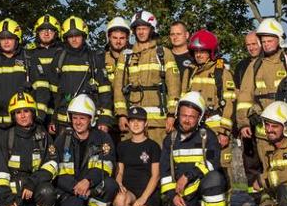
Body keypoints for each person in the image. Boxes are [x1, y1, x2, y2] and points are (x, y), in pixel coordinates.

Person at [234, 19, 287, 206]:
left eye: (269, 41)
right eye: (263, 41)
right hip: (262, 130)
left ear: (279, 39)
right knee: (266, 169)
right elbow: (245, 96)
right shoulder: (255, 66)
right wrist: (243, 122)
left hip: (286, 128)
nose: (266, 45)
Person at [38, 94, 117, 206]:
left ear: (91, 119)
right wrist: (76, 188)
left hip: (91, 188)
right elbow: (56, 170)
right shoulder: (63, 139)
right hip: (71, 191)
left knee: (110, 185)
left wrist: (88, 181)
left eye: (82, 118)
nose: (78, 122)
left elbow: (107, 166)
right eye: (75, 118)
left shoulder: (103, 139)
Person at [161, 91, 228, 206]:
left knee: (215, 178)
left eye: (192, 117)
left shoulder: (208, 137)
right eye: (184, 115)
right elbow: (165, 172)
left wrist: (188, 175)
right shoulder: (170, 140)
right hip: (184, 191)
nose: (187, 120)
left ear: (200, 118)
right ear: (177, 115)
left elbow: (212, 162)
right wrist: (172, 195)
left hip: (203, 183)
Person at [167, 29, 234, 167]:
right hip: (193, 129)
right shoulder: (189, 72)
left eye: (202, 51)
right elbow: (182, 100)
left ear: (211, 52)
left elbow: (230, 103)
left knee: (218, 166)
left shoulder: (222, 73)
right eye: (196, 51)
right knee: (195, 165)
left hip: (216, 129)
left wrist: (224, 132)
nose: (198, 55)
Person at [0, 93, 49, 206]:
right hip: (13, 193)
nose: (22, 116)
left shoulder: (42, 136)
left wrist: (33, 182)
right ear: (13, 116)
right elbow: (0, 172)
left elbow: (51, 164)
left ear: (33, 113)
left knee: (47, 192)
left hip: (34, 188)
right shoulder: (5, 138)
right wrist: (6, 199)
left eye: (26, 111)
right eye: (18, 112)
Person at [48, 17, 112, 132]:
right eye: (70, 36)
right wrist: (52, 120)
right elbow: (53, 94)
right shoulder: (59, 59)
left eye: (77, 35)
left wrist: (104, 120)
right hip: (63, 121)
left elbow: (105, 91)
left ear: (84, 36)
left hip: (89, 119)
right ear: (65, 38)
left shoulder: (94, 58)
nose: (74, 39)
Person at [110, 105, 162, 206]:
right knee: (119, 201)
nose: (136, 124)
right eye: (132, 120)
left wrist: (143, 198)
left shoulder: (153, 146)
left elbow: (156, 176)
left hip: (148, 193)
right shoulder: (122, 146)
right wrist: (118, 183)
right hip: (130, 192)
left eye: (139, 120)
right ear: (128, 123)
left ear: (146, 123)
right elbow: (120, 171)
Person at [123, 11, 172, 143]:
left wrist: (172, 115)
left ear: (152, 29)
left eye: (144, 28)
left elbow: (174, 87)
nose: (141, 32)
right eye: (138, 29)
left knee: (158, 154)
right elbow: (118, 88)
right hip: (133, 121)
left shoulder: (164, 54)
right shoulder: (126, 56)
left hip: (158, 123)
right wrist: (122, 115)